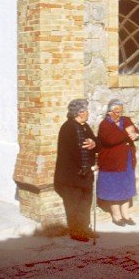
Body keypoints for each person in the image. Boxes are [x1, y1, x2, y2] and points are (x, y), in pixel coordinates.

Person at [53, 98, 98, 242]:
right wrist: (86, 166)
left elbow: (97, 144)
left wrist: (93, 144)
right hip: (72, 176)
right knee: (74, 205)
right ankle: (76, 232)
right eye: (86, 110)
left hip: (85, 174)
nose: (88, 113)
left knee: (85, 203)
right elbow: (71, 153)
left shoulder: (85, 127)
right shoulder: (68, 128)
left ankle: (85, 228)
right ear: (79, 113)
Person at [97, 98, 139, 226]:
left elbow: (136, 131)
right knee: (114, 189)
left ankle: (126, 215)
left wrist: (136, 135)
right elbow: (111, 140)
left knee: (126, 187)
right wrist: (127, 133)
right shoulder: (104, 125)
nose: (119, 114)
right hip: (111, 163)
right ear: (109, 112)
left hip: (126, 160)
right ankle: (116, 217)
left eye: (120, 111)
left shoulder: (125, 120)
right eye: (116, 111)